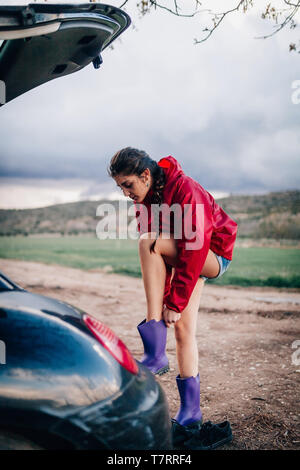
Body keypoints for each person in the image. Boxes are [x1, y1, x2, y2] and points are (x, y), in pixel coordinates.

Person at [108, 147, 238, 449]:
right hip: (184, 257)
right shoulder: (145, 201)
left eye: (128, 185)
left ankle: (154, 347)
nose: (126, 193)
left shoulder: (185, 189)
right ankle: (191, 413)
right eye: (120, 188)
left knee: (147, 242)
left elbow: (193, 247)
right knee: (183, 331)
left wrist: (173, 303)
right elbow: (162, 262)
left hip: (212, 254)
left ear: (145, 175)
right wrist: (171, 302)